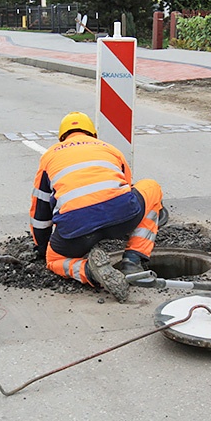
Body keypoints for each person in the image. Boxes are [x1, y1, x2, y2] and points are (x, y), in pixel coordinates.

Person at [29, 112, 167, 302]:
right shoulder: (109, 149)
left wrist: (43, 247)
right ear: (93, 134)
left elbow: (40, 210)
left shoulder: (49, 156)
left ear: (62, 137)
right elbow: (127, 188)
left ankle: (89, 271)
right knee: (151, 187)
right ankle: (133, 260)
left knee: (53, 260)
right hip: (121, 217)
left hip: (77, 230)